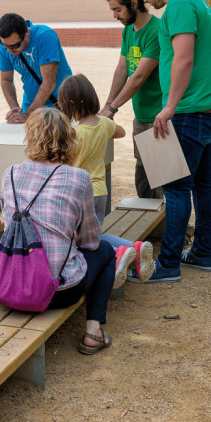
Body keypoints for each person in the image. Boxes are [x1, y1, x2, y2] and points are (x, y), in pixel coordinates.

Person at [131, 0, 211, 282]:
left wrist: (169, 106)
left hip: (191, 109)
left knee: (174, 188)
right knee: (201, 183)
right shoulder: (194, 0)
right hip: (209, 106)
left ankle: (168, 264)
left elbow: (184, 57)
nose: (145, 0)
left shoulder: (179, 4)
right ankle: (202, 252)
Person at [0, 108, 132, 353]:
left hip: (10, 284)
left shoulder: (11, 173)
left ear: (31, 136)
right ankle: (93, 332)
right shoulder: (79, 178)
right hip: (55, 291)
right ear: (69, 139)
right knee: (105, 249)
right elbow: (90, 241)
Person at [57, 74, 155, 285]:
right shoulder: (102, 124)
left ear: (71, 104)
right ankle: (133, 248)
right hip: (100, 190)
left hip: (79, 194)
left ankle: (118, 254)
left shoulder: (73, 133)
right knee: (96, 235)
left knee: (86, 241)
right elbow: (120, 132)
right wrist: (103, 128)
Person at [99, 0, 164, 199]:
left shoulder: (156, 30)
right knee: (143, 175)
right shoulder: (129, 31)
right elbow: (122, 69)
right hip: (142, 115)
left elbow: (138, 77)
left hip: (160, 116)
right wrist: (107, 105)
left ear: (134, 3)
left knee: (163, 177)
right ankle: (150, 232)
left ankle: (170, 231)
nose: (115, 15)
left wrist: (113, 108)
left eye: (117, 9)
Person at [0, 13, 72, 124]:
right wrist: (15, 109)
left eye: (14, 46)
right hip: (31, 107)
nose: (9, 50)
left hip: (60, 106)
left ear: (26, 36)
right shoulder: (6, 45)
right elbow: (6, 80)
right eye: (5, 45)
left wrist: (28, 115)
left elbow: (49, 83)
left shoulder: (45, 36)